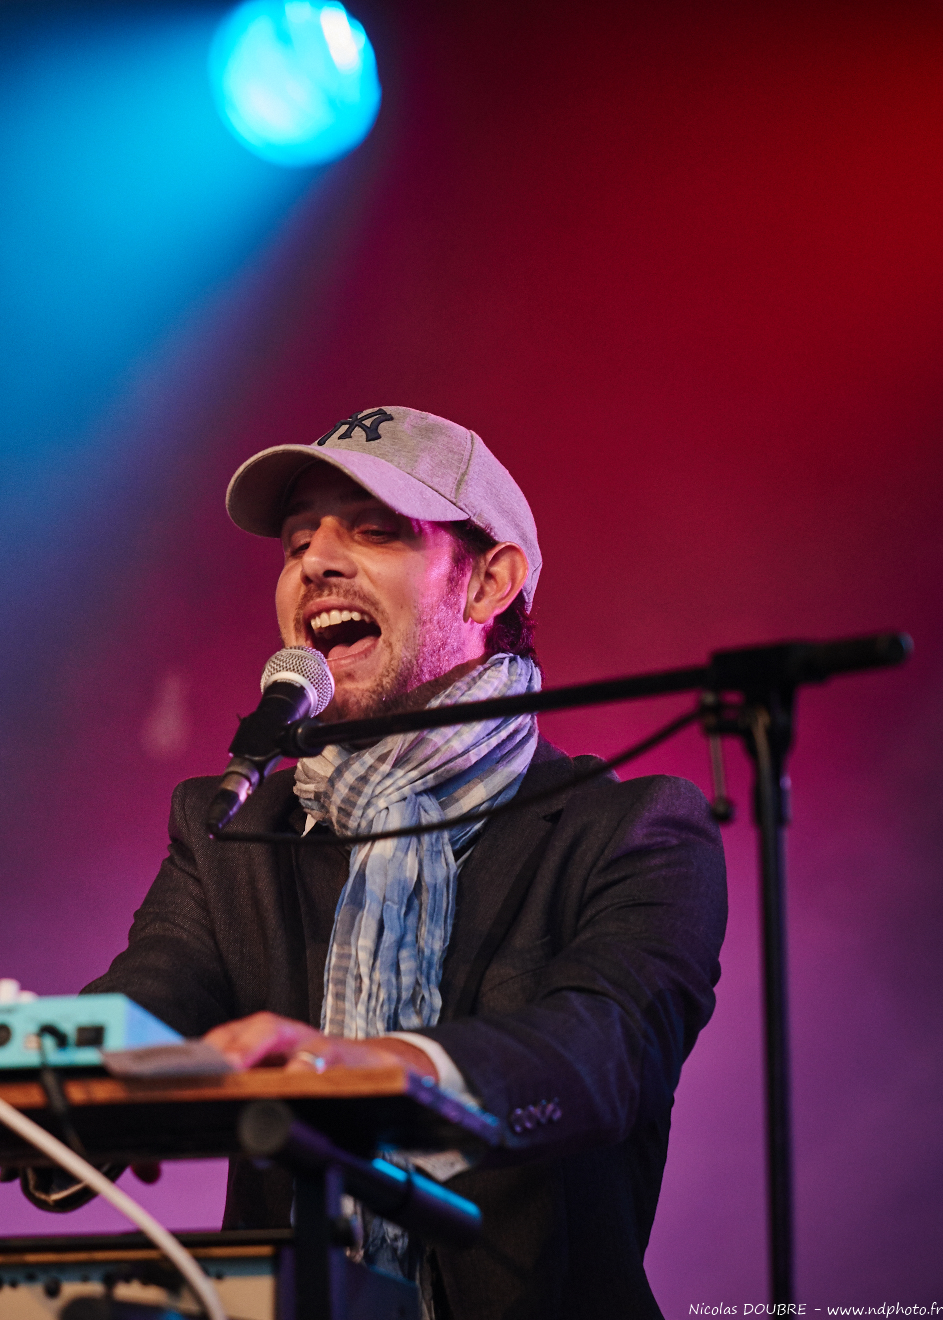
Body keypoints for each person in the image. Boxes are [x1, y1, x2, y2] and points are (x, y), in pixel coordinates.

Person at [40, 407, 727, 1319]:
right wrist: (11, 1079)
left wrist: (379, 1069)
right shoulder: (230, 829)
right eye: (297, 543)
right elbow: (140, 1013)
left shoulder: (631, 830)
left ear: (489, 583)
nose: (315, 562)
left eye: (373, 531)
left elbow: (605, 1050)